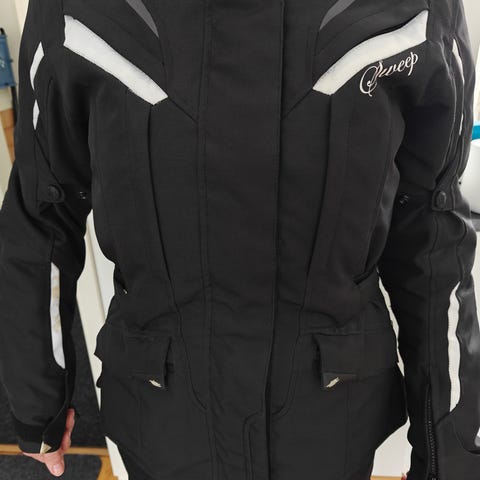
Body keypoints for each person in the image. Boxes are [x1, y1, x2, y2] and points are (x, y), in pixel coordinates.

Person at [1, 0, 479, 479]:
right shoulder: (77, 9)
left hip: (330, 423)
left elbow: (431, 231)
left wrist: (451, 447)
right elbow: (44, 209)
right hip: (161, 414)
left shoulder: (414, 9)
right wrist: (37, 396)